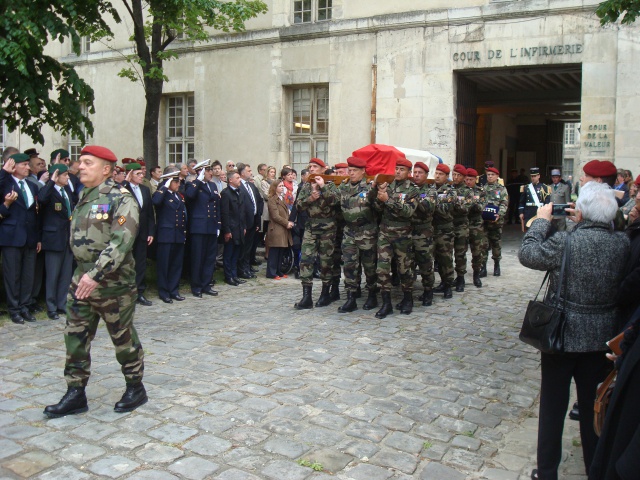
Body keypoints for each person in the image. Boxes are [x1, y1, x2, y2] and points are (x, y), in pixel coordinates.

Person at [519, 181, 630, 480]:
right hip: (600, 337)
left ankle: (547, 472)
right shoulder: (622, 243)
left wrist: (541, 221)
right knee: (594, 406)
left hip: (561, 335)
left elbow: (528, 254)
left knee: (553, 406)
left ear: (579, 211)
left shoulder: (566, 242)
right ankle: (595, 467)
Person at [44, 145, 146, 418]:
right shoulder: (83, 196)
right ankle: (75, 392)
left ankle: (135, 386)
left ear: (105, 169)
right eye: (81, 161)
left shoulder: (121, 198)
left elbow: (121, 242)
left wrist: (95, 274)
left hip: (113, 283)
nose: (80, 166)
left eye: (88, 162)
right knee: (75, 336)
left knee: (122, 337)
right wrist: (84, 274)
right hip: (81, 279)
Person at [374, 157, 419, 318]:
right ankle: (386, 303)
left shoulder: (412, 189)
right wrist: (379, 195)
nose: (398, 172)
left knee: (404, 269)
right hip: (385, 232)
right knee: (382, 269)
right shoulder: (389, 185)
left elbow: (408, 212)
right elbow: (378, 208)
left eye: (402, 169)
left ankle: (408, 299)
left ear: (408, 172)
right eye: (397, 169)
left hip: (402, 234)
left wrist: (389, 200)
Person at [293, 158, 340, 309]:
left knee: (326, 262)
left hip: (328, 228)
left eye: (315, 167)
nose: (311, 169)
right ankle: (306, 296)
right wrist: (310, 198)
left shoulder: (331, 184)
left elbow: (336, 202)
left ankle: (325, 293)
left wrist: (323, 188)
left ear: (323, 169)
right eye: (310, 166)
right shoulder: (307, 185)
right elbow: (298, 206)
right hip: (311, 227)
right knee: (306, 260)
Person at [0, 154, 41, 324]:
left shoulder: (31, 186)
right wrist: (3, 172)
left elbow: (35, 214)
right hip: (12, 237)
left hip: (30, 237)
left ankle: (25, 306)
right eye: (24, 165)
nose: (28, 168)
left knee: (27, 275)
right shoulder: (6, 183)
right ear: (13, 166)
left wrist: (38, 238)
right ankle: (14, 309)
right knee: (13, 275)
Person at [336, 156, 378, 312]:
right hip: (349, 232)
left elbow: (378, 207)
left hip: (367, 232)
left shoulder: (369, 187)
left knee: (370, 266)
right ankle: (351, 298)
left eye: (354, 171)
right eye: (350, 170)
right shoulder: (344, 187)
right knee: (349, 266)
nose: (351, 173)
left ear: (363, 171)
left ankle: (372, 294)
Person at [38, 164, 75, 320]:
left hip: (67, 238)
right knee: (53, 275)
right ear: (56, 176)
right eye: (65, 175)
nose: (68, 177)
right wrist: (51, 181)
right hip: (53, 239)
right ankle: (51, 306)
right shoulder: (50, 191)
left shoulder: (66, 191)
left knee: (65, 275)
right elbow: (41, 199)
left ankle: (62, 304)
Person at [184, 160, 221, 298]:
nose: (211, 173)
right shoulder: (193, 184)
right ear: (201, 172)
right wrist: (198, 180)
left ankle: (206, 284)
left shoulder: (212, 185)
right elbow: (189, 196)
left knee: (209, 258)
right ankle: (196, 286)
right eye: (208, 171)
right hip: (198, 227)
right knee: (198, 258)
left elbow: (217, 205)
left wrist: (218, 224)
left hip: (211, 226)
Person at [122, 162, 155, 306]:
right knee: (126, 263)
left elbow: (149, 213)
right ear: (130, 175)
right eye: (138, 174)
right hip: (127, 232)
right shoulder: (123, 188)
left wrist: (151, 232)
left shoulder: (144, 190)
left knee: (140, 263)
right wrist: (125, 182)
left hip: (142, 232)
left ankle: (139, 292)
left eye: (142, 173)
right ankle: (125, 293)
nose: (142, 176)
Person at [152, 171, 187, 303]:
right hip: (166, 235)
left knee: (176, 264)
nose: (178, 184)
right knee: (164, 264)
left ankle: (174, 290)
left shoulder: (178, 196)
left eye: (178, 181)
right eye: (175, 181)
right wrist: (164, 187)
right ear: (168, 182)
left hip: (178, 234)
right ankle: (163, 291)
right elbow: (155, 201)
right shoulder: (162, 194)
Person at [410, 161, 437, 306]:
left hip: (423, 233)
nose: (417, 175)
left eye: (420, 173)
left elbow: (427, 207)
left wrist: (414, 197)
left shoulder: (430, 191)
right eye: (415, 172)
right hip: (409, 231)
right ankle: (409, 292)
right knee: (408, 264)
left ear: (426, 175)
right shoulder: (409, 188)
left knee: (425, 264)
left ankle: (428, 291)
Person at [432, 164, 457, 298]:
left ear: (446, 176)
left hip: (445, 230)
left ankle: (448, 285)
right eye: (436, 173)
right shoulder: (430, 189)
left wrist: (430, 204)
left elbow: (445, 209)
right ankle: (442, 282)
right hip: (432, 229)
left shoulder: (450, 192)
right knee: (436, 259)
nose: (437, 176)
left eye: (440, 174)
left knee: (445, 259)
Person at [236, 163, 263, 279]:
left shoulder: (251, 186)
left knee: (249, 248)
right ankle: (241, 269)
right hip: (244, 223)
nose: (251, 173)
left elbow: (258, 201)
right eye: (249, 171)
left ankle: (247, 267)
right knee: (243, 248)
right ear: (242, 173)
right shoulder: (239, 186)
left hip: (253, 221)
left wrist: (257, 219)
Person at [220, 170, 246, 286]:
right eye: (237, 178)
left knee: (236, 253)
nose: (239, 179)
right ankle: (228, 276)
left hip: (239, 228)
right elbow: (225, 213)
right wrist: (227, 230)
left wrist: (244, 226)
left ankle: (234, 275)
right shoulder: (226, 193)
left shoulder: (239, 192)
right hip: (231, 228)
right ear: (230, 180)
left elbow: (242, 211)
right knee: (229, 253)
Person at [451, 164, 474, 292]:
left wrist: (454, 202)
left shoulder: (468, 191)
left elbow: (466, 208)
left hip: (461, 225)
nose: (455, 177)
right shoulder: (448, 188)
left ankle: (460, 277)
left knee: (460, 253)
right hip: (448, 225)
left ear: (464, 177)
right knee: (447, 253)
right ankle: (448, 278)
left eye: (458, 175)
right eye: (454, 174)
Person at [482, 166, 508, 276]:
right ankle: (483, 267)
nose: (490, 176)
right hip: (485, 221)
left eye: (492, 175)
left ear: (497, 176)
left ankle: (497, 265)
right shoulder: (483, 189)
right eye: (488, 174)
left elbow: (504, 203)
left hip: (497, 221)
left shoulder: (502, 189)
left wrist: (500, 214)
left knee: (496, 244)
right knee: (484, 244)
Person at [464, 168, 488, 287]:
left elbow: (481, 207)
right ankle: (460, 277)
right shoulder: (461, 191)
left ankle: (476, 275)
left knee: (477, 252)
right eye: (466, 179)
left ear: (475, 179)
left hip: (476, 225)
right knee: (460, 252)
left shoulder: (481, 191)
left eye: (471, 179)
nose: (468, 182)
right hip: (463, 225)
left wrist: (469, 203)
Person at [266, 179, 293, 279]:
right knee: (274, 251)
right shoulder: (272, 200)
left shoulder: (281, 199)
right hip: (276, 228)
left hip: (283, 229)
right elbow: (275, 216)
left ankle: (278, 270)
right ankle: (271, 272)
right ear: (275, 188)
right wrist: (286, 223)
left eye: (283, 186)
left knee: (281, 251)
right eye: (280, 186)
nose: (282, 187)